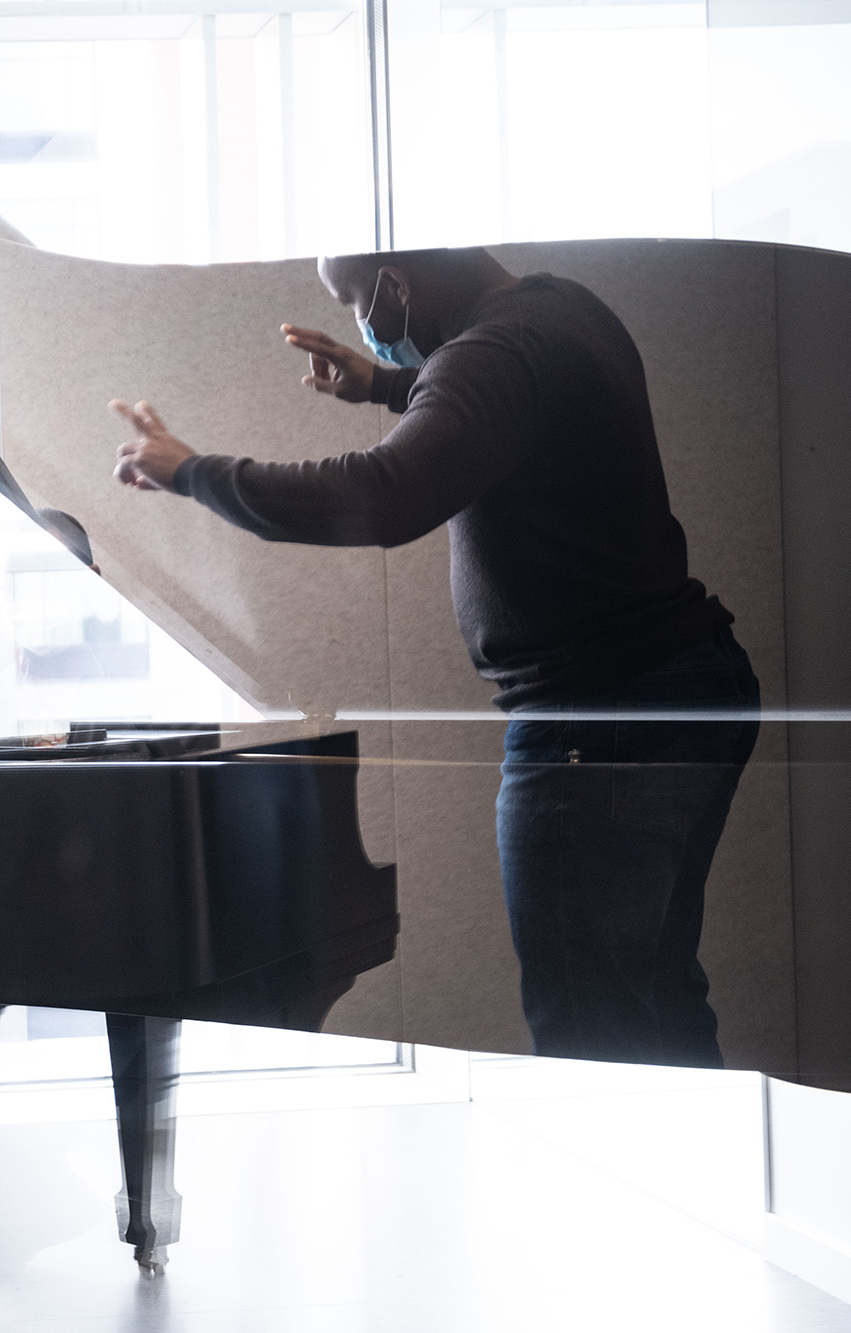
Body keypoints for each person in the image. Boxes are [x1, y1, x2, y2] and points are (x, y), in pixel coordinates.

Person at [111, 246, 758, 1068]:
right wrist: (384, 384)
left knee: (591, 1027)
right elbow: (500, 412)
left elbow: (383, 495)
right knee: (656, 996)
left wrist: (192, 472)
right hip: (685, 686)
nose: (362, 323)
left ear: (398, 284)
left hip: (598, 726)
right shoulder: (562, 309)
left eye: (355, 301)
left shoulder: (489, 352)